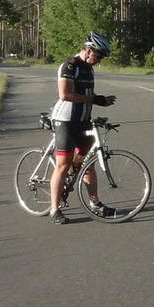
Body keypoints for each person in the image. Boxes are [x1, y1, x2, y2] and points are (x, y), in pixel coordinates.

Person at [48, 32, 116, 224]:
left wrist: (100, 101)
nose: (99, 60)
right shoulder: (69, 66)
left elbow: (88, 95)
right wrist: (94, 99)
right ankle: (55, 209)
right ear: (88, 50)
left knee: (88, 164)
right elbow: (65, 95)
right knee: (63, 165)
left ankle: (95, 203)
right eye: (98, 56)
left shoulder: (89, 69)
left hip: (83, 121)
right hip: (65, 121)